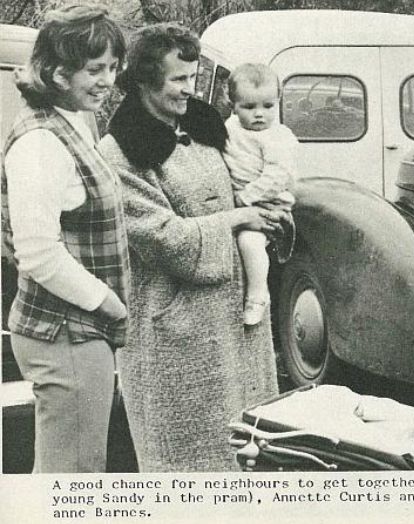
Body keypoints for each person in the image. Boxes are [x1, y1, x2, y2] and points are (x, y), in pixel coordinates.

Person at [97, 24, 282, 472]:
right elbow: (165, 239)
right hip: (173, 339)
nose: (190, 89)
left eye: (193, 77)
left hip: (237, 327)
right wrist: (237, 219)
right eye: (178, 80)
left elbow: (246, 188)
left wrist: (270, 212)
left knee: (250, 455)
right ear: (143, 79)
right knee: (186, 465)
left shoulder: (206, 129)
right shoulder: (119, 154)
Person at [0, 5, 128, 473]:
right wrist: (109, 302)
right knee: (70, 482)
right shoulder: (40, 141)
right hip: (65, 334)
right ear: (57, 73)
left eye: (113, 67)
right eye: (94, 69)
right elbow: (36, 252)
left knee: (69, 474)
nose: (107, 80)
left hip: (74, 332)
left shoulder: (72, 119)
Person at [222, 63, 298, 325]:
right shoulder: (231, 128)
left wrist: (246, 197)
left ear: (278, 102)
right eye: (249, 107)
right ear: (232, 104)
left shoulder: (278, 137)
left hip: (269, 203)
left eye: (268, 106)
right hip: (238, 198)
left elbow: (278, 176)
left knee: (249, 241)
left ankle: (258, 294)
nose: (259, 115)